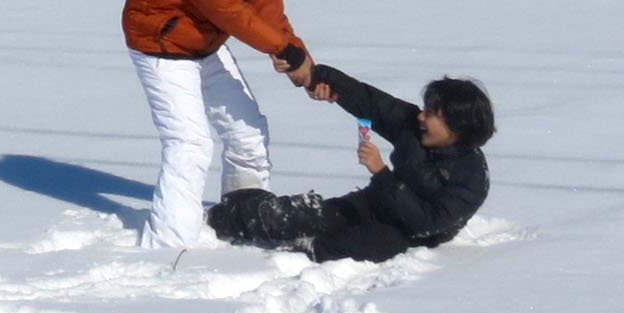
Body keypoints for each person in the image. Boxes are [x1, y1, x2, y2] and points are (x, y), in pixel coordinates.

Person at [120, 0, 311, 249]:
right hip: (162, 45)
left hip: (204, 44)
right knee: (190, 144)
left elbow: (264, 0)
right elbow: (225, 7)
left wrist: (296, 54)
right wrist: (280, 47)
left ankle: (243, 217)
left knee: (248, 129)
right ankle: (169, 246)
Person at [206, 65, 496, 262]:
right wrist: (318, 77)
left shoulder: (472, 178)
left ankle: (304, 250)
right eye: (424, 108)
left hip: (407, 233)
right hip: (373, 203)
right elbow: (370, 102)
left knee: (375, 243)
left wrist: (382, 174)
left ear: (456, 127)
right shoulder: (413, 127)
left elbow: (427, 223)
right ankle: (221, 217)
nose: (421, 117)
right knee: (301, 216)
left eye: (432, 113)